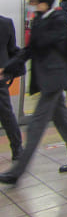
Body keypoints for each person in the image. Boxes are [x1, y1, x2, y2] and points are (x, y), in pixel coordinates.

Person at [0, 0, 67, 185]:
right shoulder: (41, 20)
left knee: (35, 127)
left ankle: (16, 172)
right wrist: (7, 68)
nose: (30, 3)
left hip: (53, 80)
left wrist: (36, 29)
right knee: (62, 120)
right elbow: (28, 50)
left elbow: (39, 44)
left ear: (43, 1)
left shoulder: (57, 20)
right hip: (47, 79)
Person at [0, 15, 22, 162]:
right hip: (1, 76)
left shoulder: (6, 23)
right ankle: (17, 149)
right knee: (7, 114)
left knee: (7, 114)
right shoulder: (6, 23)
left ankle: (17, 148)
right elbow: (12, 50)